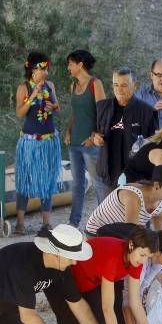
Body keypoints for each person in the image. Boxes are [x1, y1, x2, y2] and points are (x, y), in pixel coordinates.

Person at [14, 52, 62, 235]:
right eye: (42, 68)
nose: (45, 72)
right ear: (32, 69)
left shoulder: (50, 86)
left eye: (46, 69)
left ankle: (46, 223)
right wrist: (33, 95)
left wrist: (53, 107)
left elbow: (57, 108)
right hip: (29, 142)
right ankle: (20, 223)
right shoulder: (23, 88)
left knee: (48, 180)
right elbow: (20, 113)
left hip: (49, 141)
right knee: (24, 180)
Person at [92, 67, 158, 193]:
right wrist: (95, 138)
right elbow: (95, 132)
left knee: (131, 213)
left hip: (136, 180)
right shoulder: (102, 107)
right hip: (107, 177)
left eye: (124, 85)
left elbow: (154, 147)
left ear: (135, 85)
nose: (118, 90)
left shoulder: (148, 112)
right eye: (115, 85)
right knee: (108, 213)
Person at [64, 49, 108, 217]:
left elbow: (103, 113)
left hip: (91, 144)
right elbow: (75, 113)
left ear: (80, 64)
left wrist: (93, 136)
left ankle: (104, 221)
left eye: (70, 63)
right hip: (74, 143)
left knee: (98, 183)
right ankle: (74, 223)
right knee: (77, 184)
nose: (68, 67)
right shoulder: (73, 86)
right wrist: (68, 131)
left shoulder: (95, 83)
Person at [85, 163, 162, 235]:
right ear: (156, 185)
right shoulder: (133, 195)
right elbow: (132, 234)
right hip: (96, 232)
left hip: (119, 233)